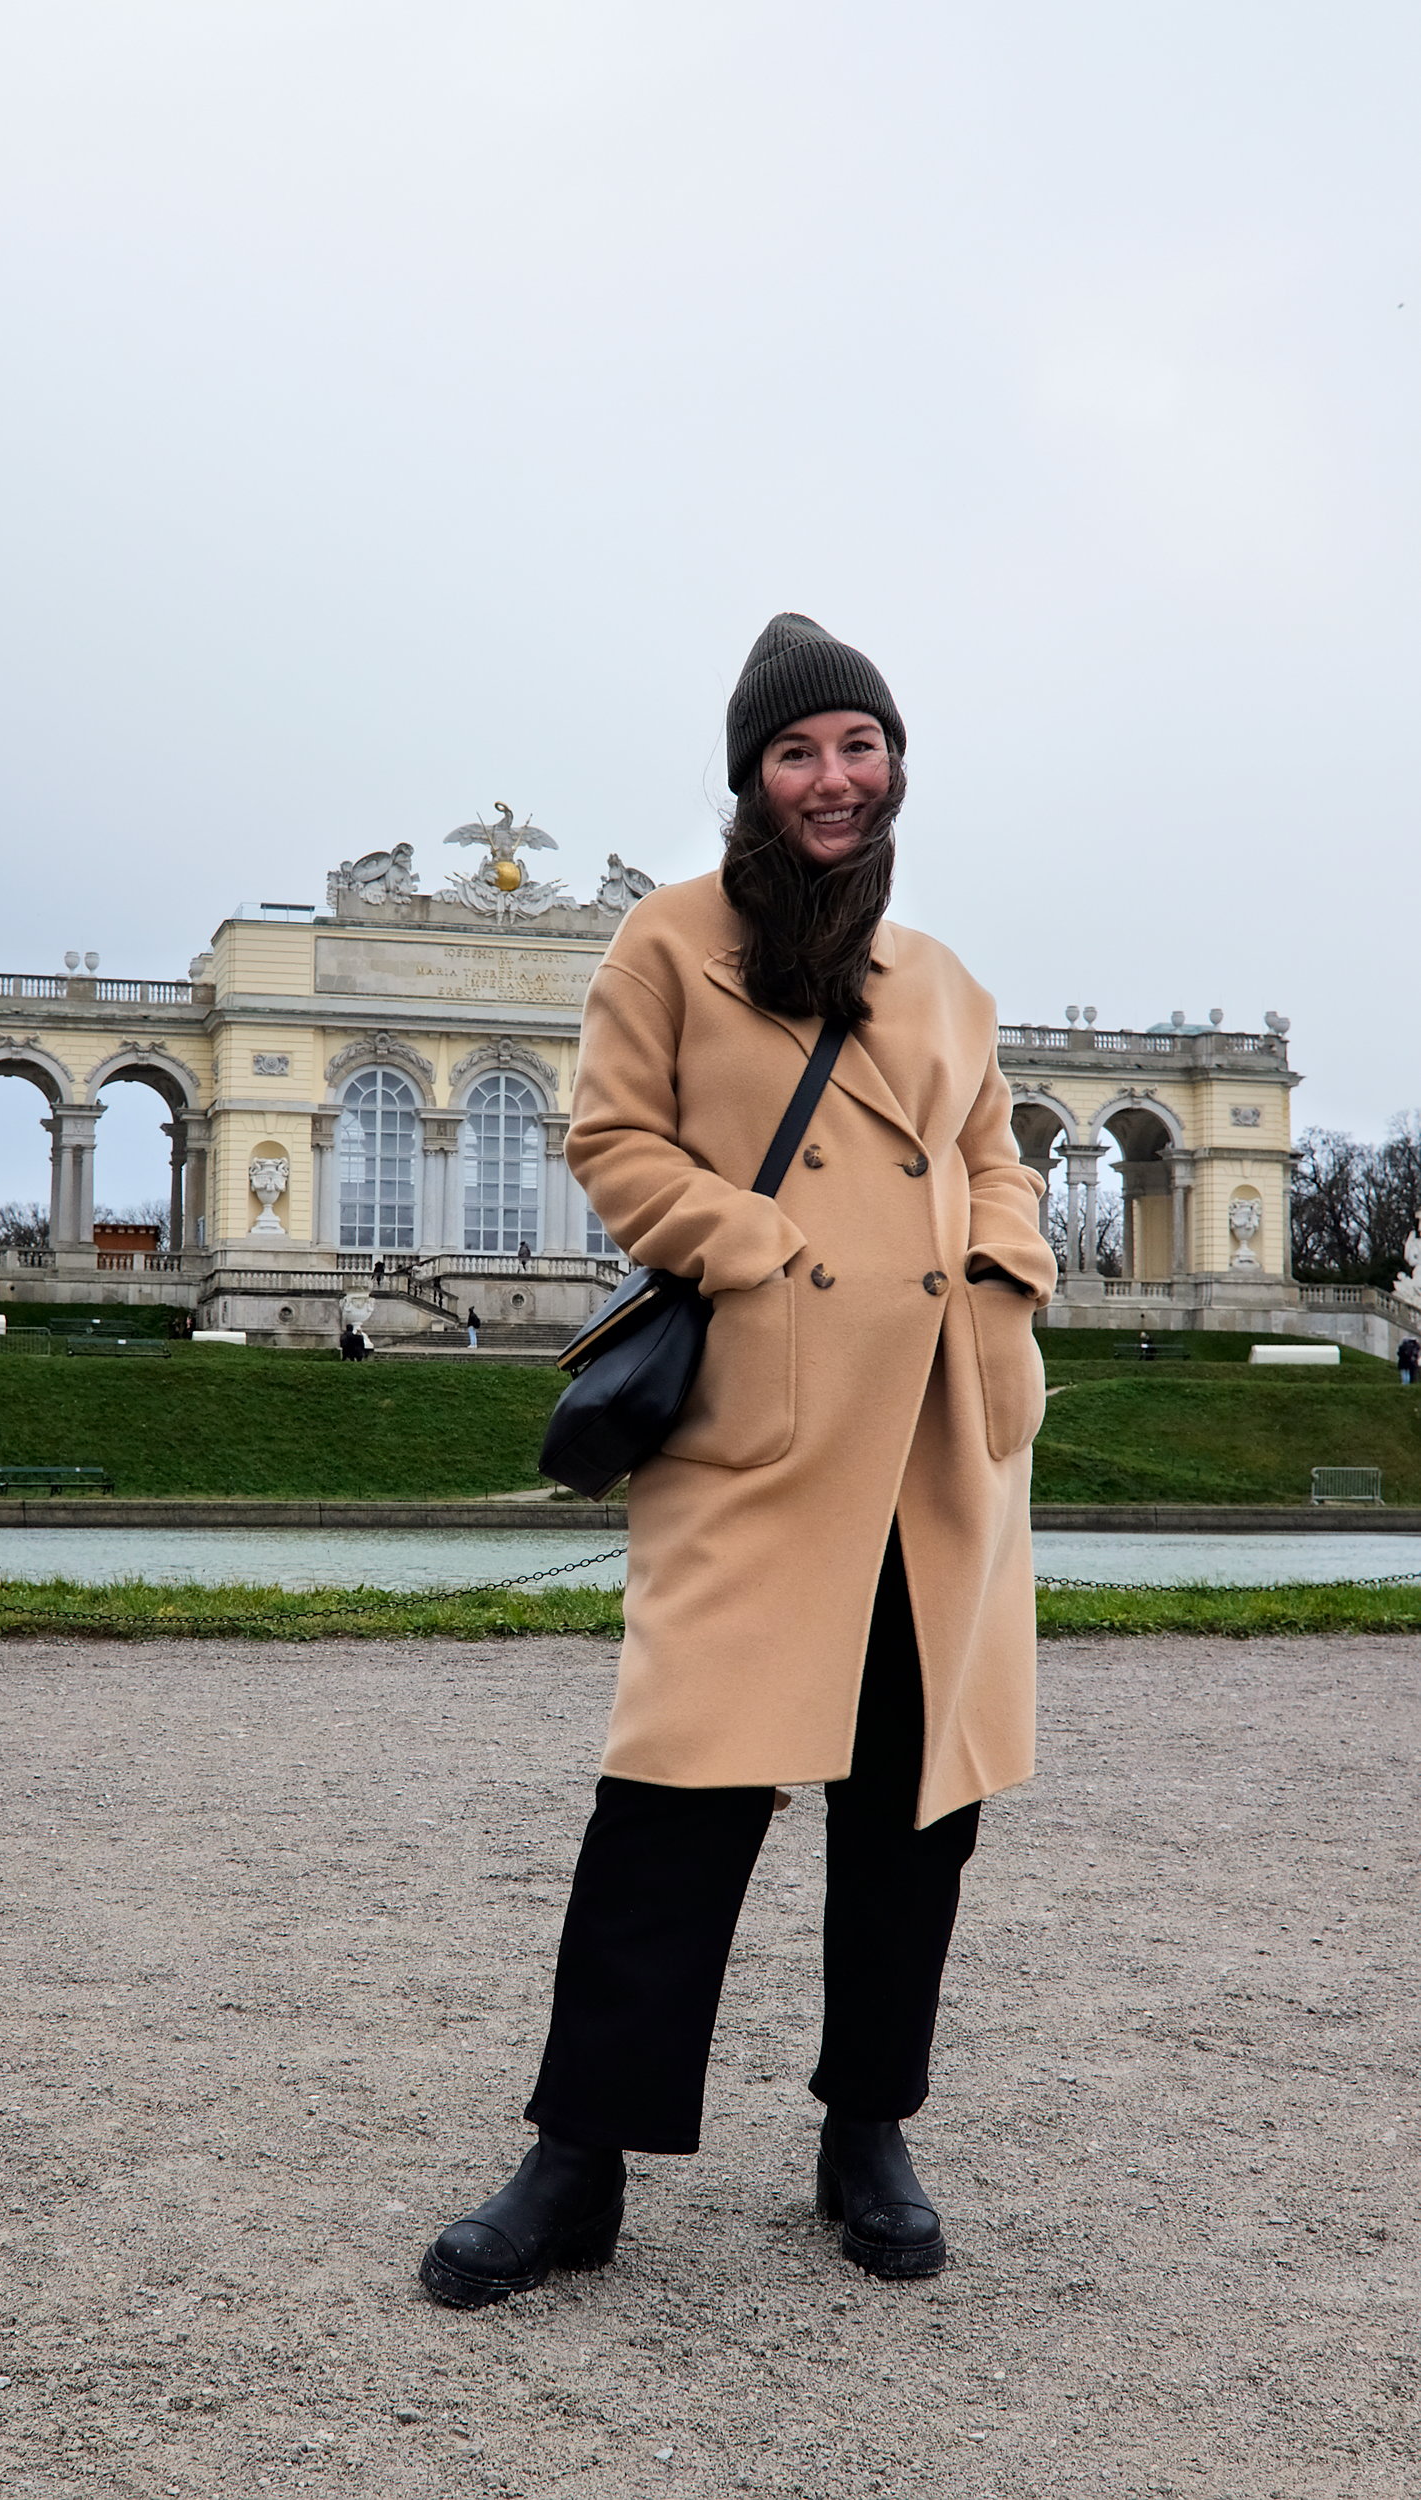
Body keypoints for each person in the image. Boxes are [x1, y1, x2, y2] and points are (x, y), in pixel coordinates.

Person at [420, 612, 1055, 2310]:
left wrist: (1002, 1271)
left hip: (935, 1438)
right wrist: (754, 1245)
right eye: (797, 753)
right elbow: (609, 1138)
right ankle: (577, 2161)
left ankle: (867, 2133)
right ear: (749, 779)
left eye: (858, 745)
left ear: (894, 762)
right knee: (673, 1803)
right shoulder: (665, 939)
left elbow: (998, 1152)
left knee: (911, 1815)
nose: (833, 779)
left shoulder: (941, 978)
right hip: (759, 1428)